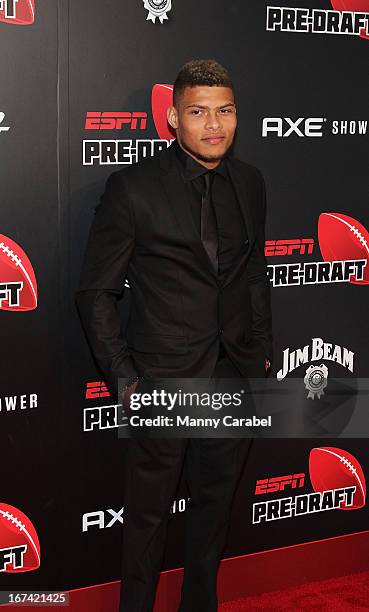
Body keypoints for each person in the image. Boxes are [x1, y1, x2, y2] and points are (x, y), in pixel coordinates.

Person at [75, 58, 273, 612]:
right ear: (172, 118)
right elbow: (95, 292)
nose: (215, 126)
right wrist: (126, 380)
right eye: (199, 112)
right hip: (163, 380)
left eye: (226, 111)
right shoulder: (133, 189)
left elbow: (254, 273)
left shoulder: (251, 183)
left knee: (214, 514)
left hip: (232, 376)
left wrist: (258, 353)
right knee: (147, 521)